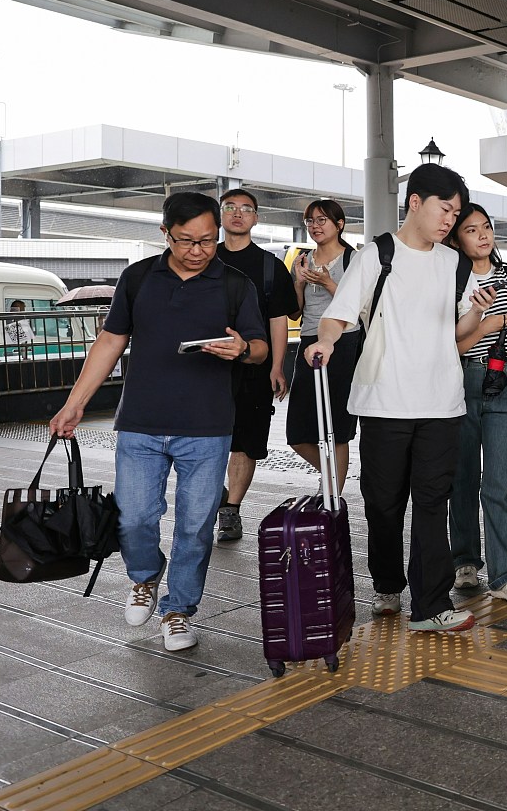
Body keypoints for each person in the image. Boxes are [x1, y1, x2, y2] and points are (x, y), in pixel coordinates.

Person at [48, 192, 267, 652]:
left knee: (195, 525)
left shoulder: (235, 284)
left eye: (208, 240)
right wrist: (75, 404)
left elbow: (260, 346)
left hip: (207, 428)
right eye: (187, 240)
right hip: (141, 423)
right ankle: (145, 577)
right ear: (165, 233)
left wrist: (243, 350)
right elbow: (109, 342)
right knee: (134, 518)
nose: (198, 250)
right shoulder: (138, 277)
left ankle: (178, 610)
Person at [306, 164, 490, 633]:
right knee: (384, 502)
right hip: (385, 401)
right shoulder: (377, 255)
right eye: (444, 209)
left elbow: (457, 334)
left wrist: (479, 316)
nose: (450, 220)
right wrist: (325, 342)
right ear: (415, 202)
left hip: (441, 403)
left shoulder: (456, 265)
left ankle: (431, 605)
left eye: (456, 213)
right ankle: (388, 585)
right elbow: (339, 313)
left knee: (433, 502)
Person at [448, 203, 507, 604]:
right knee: (462, 479)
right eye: (472, 230)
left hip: (505, 382)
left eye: (486, 227)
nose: (483, 235)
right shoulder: (450, 280)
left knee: (502, 481)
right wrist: (489, 321)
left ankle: (506, 576)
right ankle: (465, 562)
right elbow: (452, 343)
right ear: (457, 238)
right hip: (460, 379)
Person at [214, 188, 299, 543]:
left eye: (246, 209)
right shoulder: (203, 257)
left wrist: (277, 367)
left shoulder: (269, 266)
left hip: (254, 365)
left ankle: (230, 509)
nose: (237, 214)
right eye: (230, 207)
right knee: (207, 439)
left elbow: (279, 319)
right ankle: (214, 496)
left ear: (256, 218)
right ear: (221, 215)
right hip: (207, 366)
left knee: (246, 442)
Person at [286, 199, 359, 493]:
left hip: (345, 341)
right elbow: (294, 312)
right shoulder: (303, 259)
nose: (315, 226)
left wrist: (329, 283)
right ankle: (331, 476)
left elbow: (360, 307)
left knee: (338, 429)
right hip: (309, 339)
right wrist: (300, 284)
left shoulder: (353, 259)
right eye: (310, 222)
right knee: (297, 433)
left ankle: (332, 495)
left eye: (322, 220)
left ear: (339, 224)